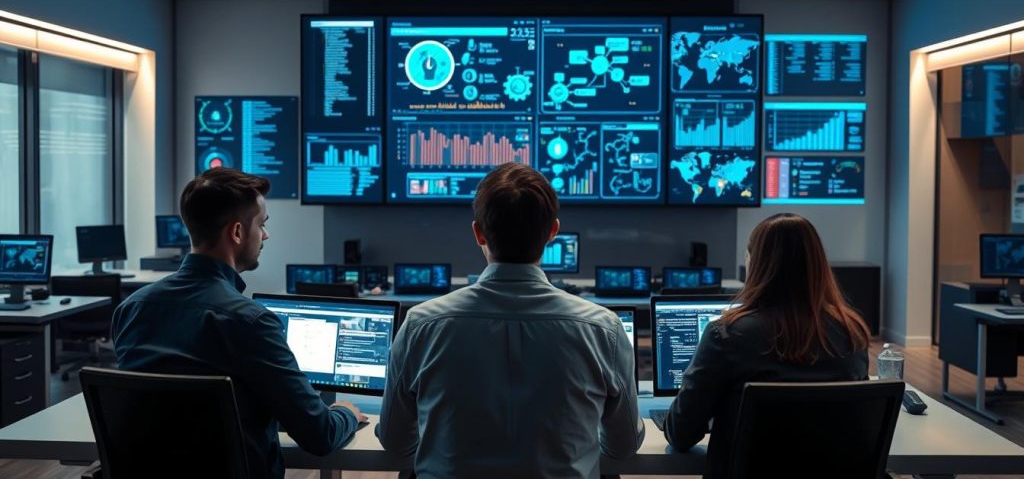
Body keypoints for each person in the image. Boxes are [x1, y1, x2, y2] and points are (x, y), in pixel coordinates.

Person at [376, 162, 644, 479]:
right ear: (553, 231)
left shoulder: (420, 326)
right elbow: (622, 448)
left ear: (478, 233)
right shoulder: (604, 329)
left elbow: (395, 443)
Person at [111, 168, 365, 479]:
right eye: (262, 224)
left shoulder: (132, 308)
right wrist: (346, 413)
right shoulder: (250, 321)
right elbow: (320, 435)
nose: (266, 235)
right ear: (237, 232)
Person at [662, 213, 870, 478]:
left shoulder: (727, 333)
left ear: (755, 263)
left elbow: (681, 433)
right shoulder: (852, 333)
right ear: (818, 263)